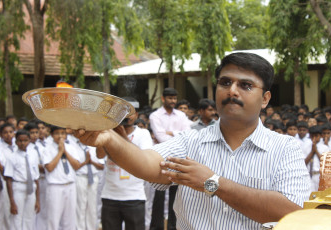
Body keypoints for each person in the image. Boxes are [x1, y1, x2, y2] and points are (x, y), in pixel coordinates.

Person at [75, 52, 310, 229]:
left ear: (265, 98)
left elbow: (292, 212)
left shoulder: (285, 148)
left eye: (245, 85)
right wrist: (109, 139)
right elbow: (147, 163)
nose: (232, 91)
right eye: (225, 82)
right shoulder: (191, 142)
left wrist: (213, 183)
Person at [101, 98, 154, 230]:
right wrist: (104, 130)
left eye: (129, 113)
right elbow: (99, 155)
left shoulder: (143, 133)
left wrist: (123, 138)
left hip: (134, 196)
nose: (126, 116)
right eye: (122, 112)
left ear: (136, 115)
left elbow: (143, 158)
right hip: (110, 196)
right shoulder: (109, 132)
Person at [149, 88, 191, 230]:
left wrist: (171, 132)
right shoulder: (155, 115)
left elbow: (188, 134)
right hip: (159, 159)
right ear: (163, 98)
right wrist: (179, 136)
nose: (173, 101)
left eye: (174, 98)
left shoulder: (181, 115)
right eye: (170, 98)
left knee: (176, 196)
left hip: (178, 159)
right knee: (158, 196)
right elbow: (160, 136)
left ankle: (174, 227)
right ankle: (157, 227)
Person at [42, 126, 83, 230]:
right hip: (55, 186)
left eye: (62, 133)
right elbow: (49, 168)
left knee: (69, 218)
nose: (60, 136)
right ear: (51, 135)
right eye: (57, 133)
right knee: (53, 219)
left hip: (70, 185)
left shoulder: (71, 147)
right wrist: (60, 152)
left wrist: (65, 151)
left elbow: (77, 166)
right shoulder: (47, 149)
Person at [4, 130, 40, 230]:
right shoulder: (12, 157)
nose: (23, 143)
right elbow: (8, 179)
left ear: (29, 141)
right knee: (17, 217)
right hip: (18, 186)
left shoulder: (33, 154)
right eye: (20, 141)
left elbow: (36, 177)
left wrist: (38, 199)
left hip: (31, 187)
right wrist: (12, 201)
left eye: (25, 140)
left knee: (30, 217)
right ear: (16, 142)